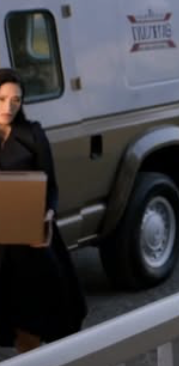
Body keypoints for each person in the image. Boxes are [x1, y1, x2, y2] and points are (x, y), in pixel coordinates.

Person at [0, 68, 87, 353]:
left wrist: (47, 215)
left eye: (16, 100)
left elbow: (50, 186)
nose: (9, 107)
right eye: (2, 99)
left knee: (32, 322)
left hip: (29, 242)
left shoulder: (33, 133)